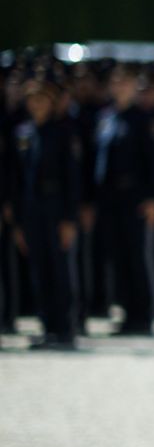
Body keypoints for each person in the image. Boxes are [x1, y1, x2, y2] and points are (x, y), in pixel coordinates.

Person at [90, 66, 154, 334]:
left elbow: (153, 163)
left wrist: (153, 199)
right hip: (110, 199)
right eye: (116, 82)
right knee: (117, 258)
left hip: (135, 198)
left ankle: (143, 316)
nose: (119, 87)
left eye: (125, 83)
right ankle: (125, 311)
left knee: (137, 257)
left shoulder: (142, 120)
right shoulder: (106, 118)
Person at [13, 79, 82, 349]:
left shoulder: (63, 133)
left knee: (59, 268)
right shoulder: (24, 133)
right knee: (39, 270)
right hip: (32, 209)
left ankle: (65, 327)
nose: (37, 105)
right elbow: (16, 178)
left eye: (42, 100)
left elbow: (72, 179)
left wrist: (69, 218)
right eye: (33, 100)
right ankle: (47, 325)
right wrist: (18, 219)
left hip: (56, 208)